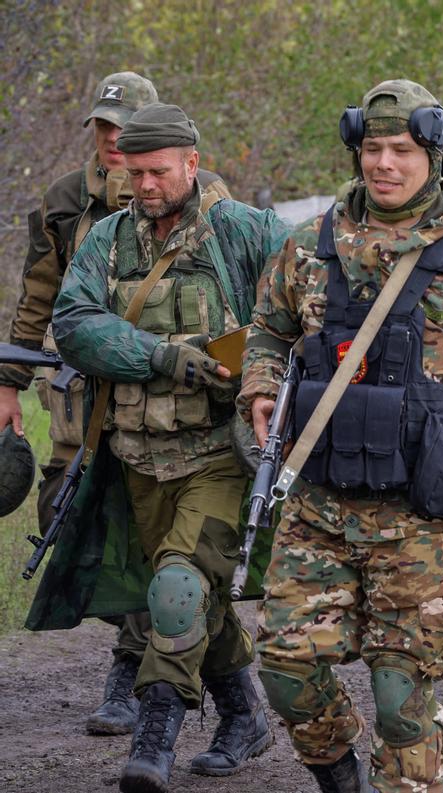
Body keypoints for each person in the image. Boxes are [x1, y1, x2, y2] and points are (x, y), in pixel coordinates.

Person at [239, 80, 443, 793]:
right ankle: (340, 776)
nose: (384, 163)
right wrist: (260, 387)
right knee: (285, 671)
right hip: (318, 503)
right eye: (372, 148)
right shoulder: (308, 247)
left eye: (401, 150)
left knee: (400, 696)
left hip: (422, 516)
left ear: (432, 156)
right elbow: (268, 332)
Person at [51, 103, 288, 792]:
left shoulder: (245, 232)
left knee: (179, 588)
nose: (143, 185)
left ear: (191, 162)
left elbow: (301, 308)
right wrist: (164, 356)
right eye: (133, 172)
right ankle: (243, 712)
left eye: (158, 172)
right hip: (134, 459)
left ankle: (154, 739)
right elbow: (74, 322)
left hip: (217, 454)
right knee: (184, 598)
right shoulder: (109, 239)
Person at [0, 72, 230, 737]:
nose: (111, 141)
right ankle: (196, 661)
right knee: (63, 510)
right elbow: (37, 294)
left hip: (172, 396)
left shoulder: (202, 194)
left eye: (123, 130)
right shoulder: (68, 200)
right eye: (102, 128)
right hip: (83, 390)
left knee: (155, 539)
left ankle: (131, 666)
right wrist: (9, 383)